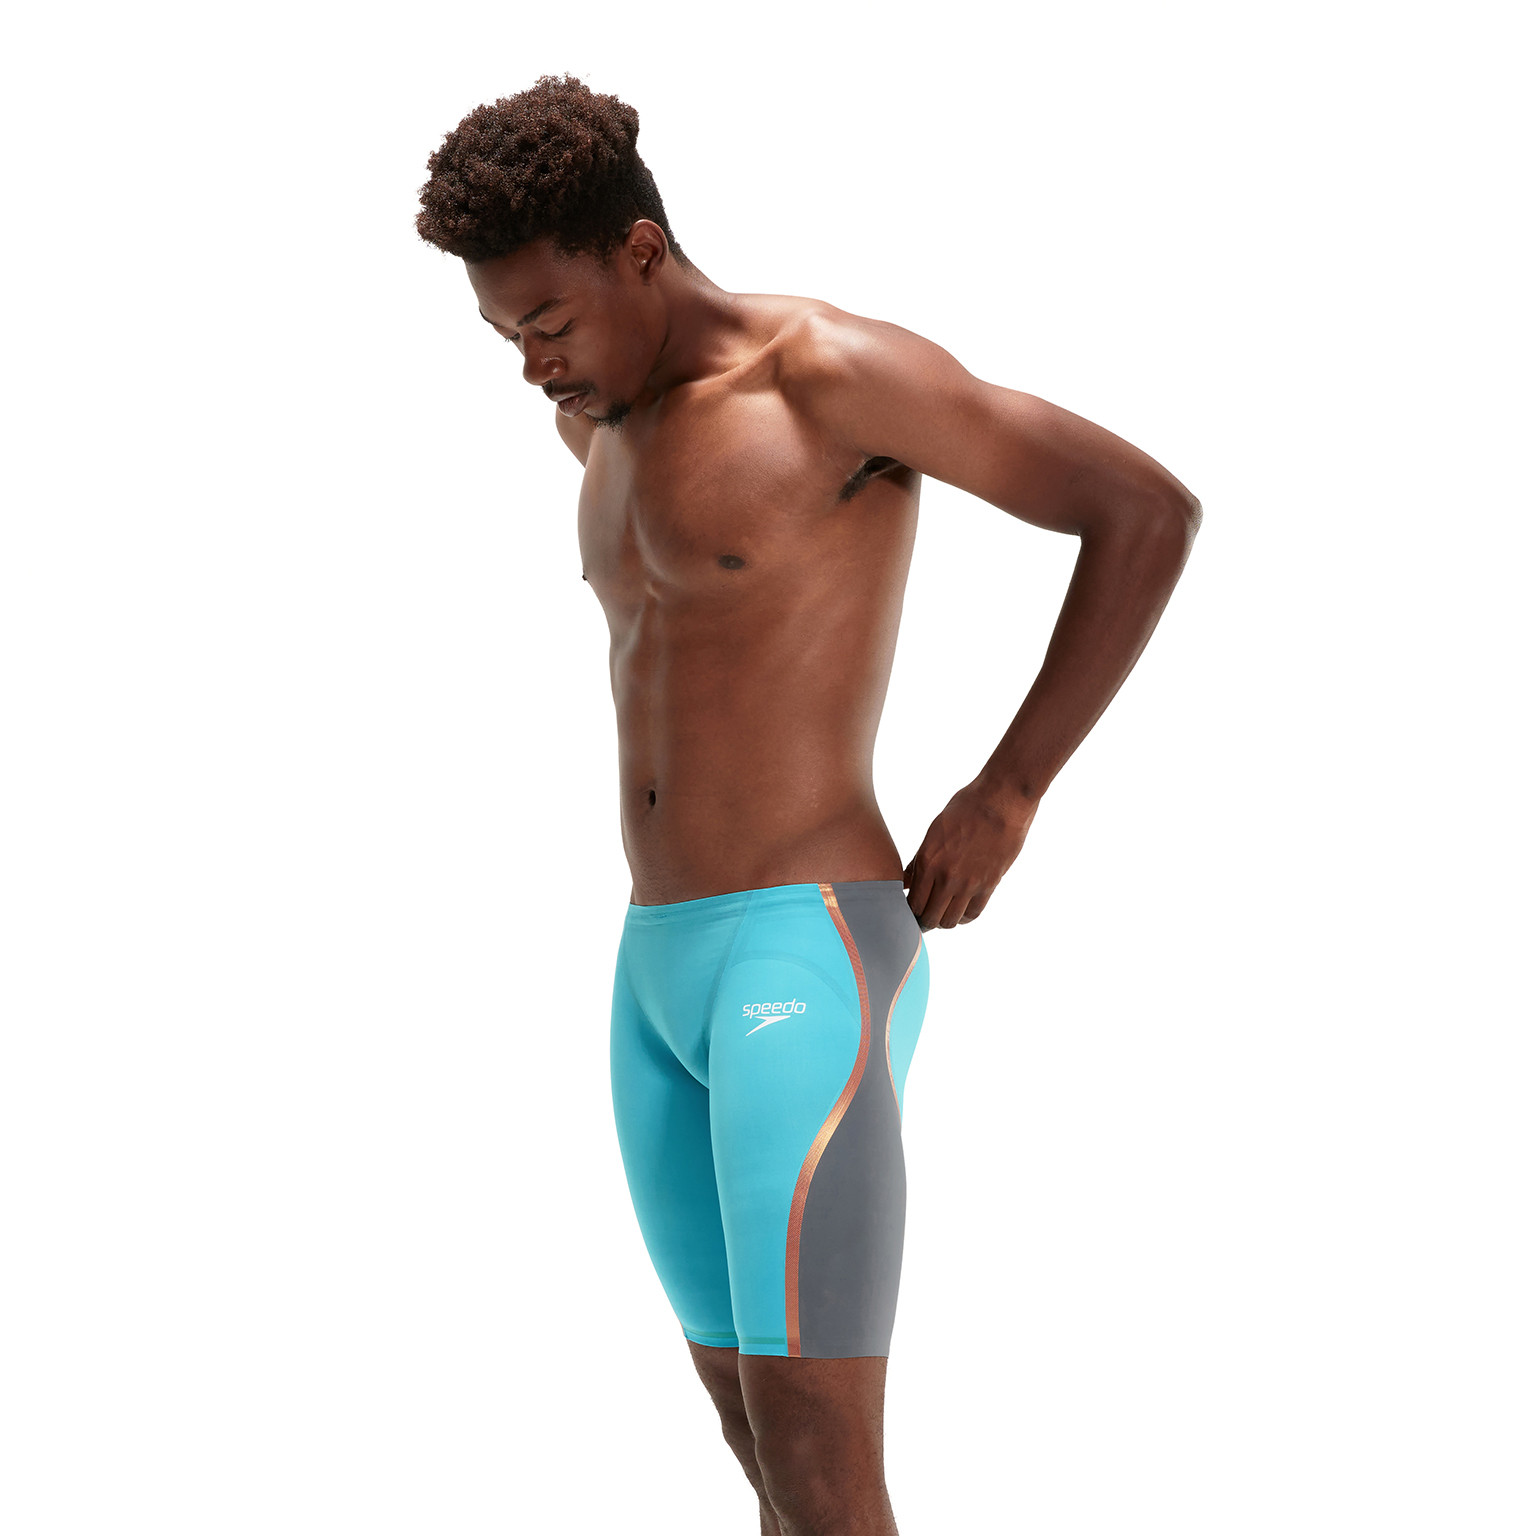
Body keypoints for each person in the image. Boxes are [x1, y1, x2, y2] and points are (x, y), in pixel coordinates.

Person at [417, 72, 1201, 1536]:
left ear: (640, 252)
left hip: (805, 948)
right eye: (505, 336)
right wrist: (572, 373)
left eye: (549, 322)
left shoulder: (827, 378)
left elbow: (1143, 510)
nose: (532, 366)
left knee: (825, 1466)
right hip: (654, 973)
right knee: (761, 1451)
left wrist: (1010, 789)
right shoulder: (599, 429)